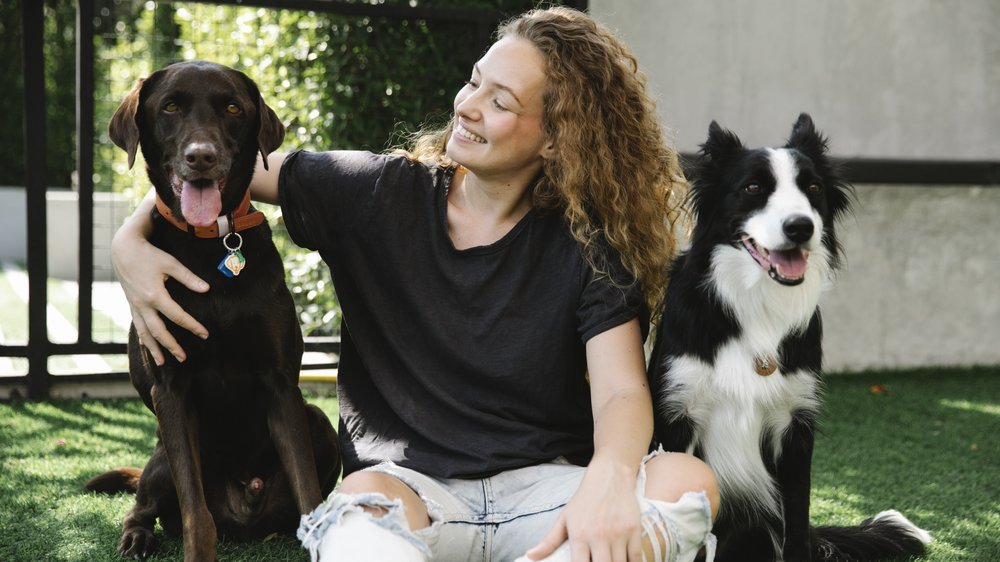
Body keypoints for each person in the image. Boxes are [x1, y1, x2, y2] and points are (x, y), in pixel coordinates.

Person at [111, 6, 719, 562]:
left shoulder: (587, 243)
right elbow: (222, 165)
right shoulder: (374, 192)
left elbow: (619, 394)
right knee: (357, 514)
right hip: (408, 493)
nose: (469, 104)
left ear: (559, 137)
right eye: (474, 79)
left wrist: (609, 482)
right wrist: (129, 245)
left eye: (501, 101)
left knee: (687, 482)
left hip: (546, 492)